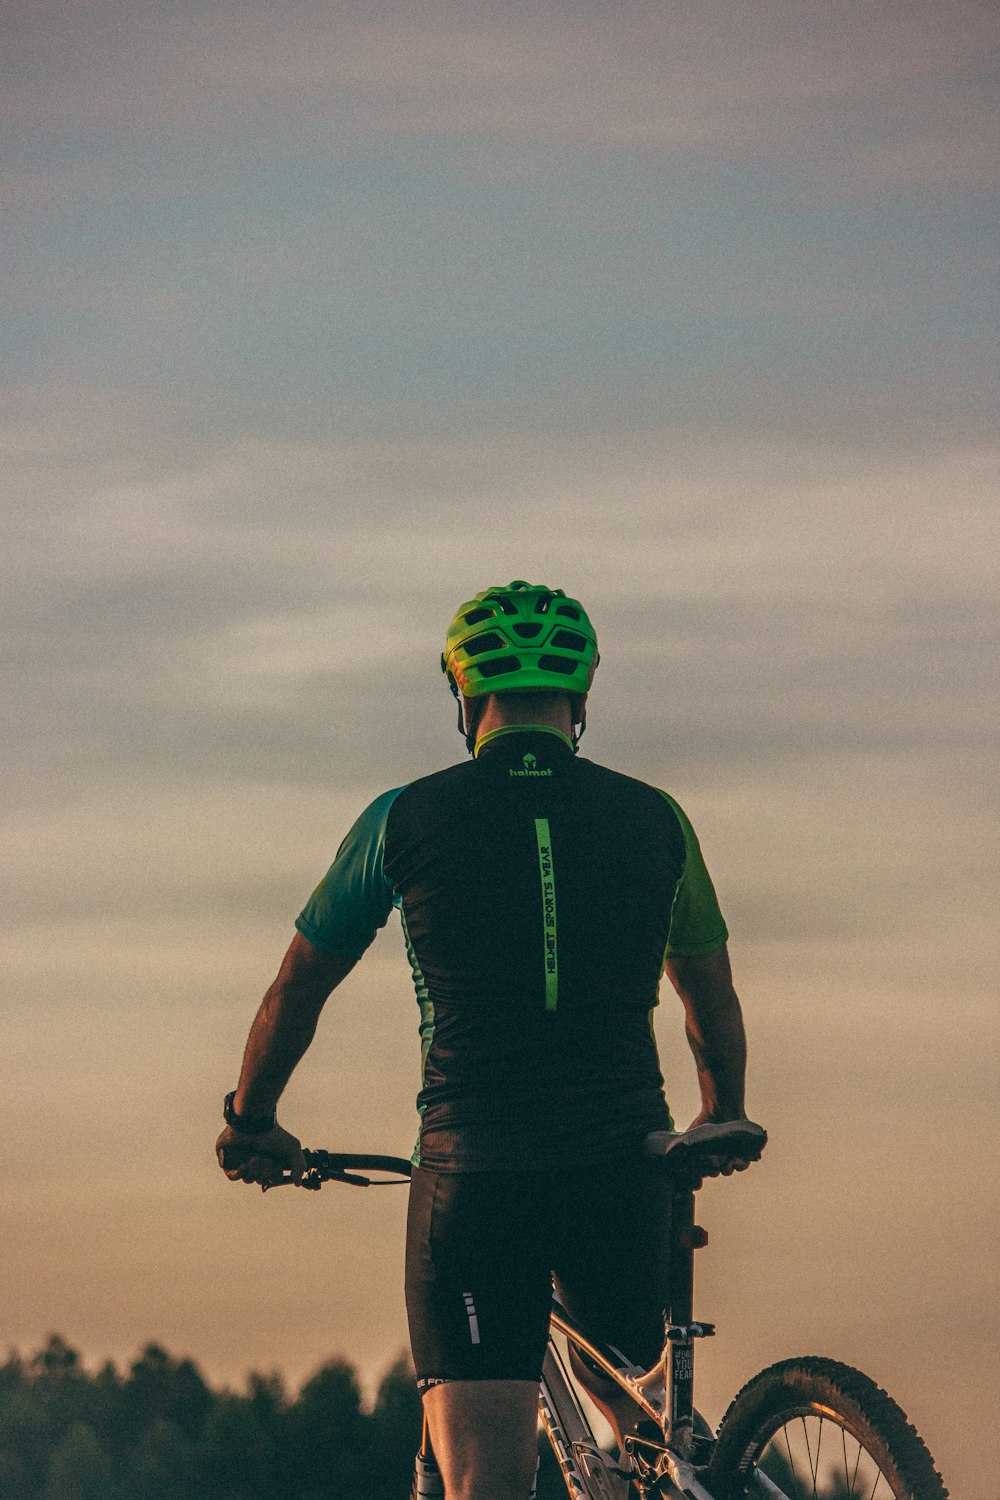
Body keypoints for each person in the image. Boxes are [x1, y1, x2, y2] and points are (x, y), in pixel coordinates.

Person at [217, 580, 760, 1500]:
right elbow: (708, 994)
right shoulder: (655, 818)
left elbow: (298, 984)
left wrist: (252, 1117)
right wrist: (725, 1111)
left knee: (484, 1479)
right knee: (649, 1430)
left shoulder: (406, 817)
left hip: (477, 1169)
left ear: (465, 699)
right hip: (627, 1158)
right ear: (580, 698)